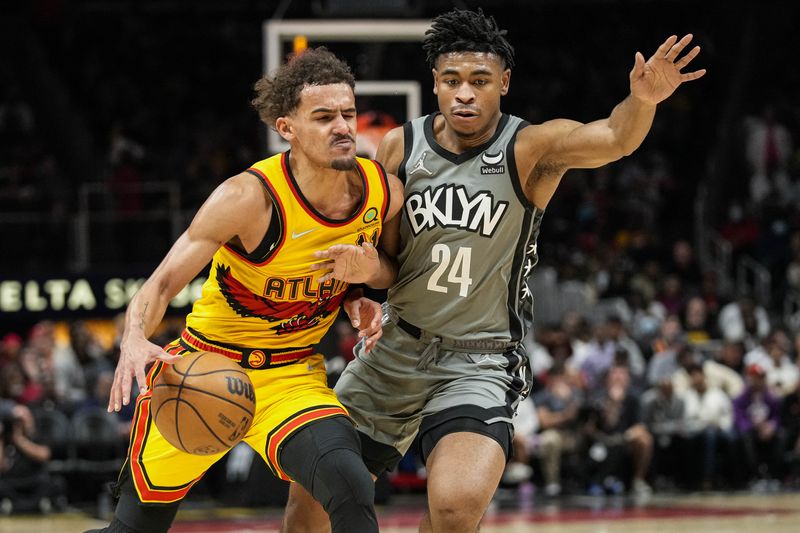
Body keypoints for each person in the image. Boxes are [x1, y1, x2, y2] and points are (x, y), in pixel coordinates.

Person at [285, 8, 704, 532]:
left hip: (478, 362)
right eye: (452, 81)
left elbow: (615, 137)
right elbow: (388, 267)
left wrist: (641, 102)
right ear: (434, 84)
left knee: (457, 513)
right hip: (394, 352)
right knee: (308, 510)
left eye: (479, 81)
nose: (465, 93)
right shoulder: (399, 145)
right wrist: (363, 283)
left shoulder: (530, 148)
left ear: (503, 83)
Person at [85, 47, 404, 533]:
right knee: (133, 531)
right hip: (202, 369)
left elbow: (392, 273)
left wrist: (365, 283)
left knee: (351, 484)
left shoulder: (384, 192)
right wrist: (132, 335)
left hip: (291, 375)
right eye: (323, 116)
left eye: (347, 113)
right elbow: (164, 282)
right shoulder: (247, 198)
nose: (342, 126)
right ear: (287, 129)